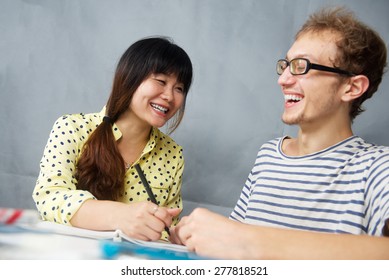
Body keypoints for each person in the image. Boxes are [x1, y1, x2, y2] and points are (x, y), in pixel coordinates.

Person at [170, 7, 389, 259]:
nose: (283, 79)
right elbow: (233, 244)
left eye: (301, 66)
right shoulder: (268, 155)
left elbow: (241, 241)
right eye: (286, 65)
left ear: (351, 88)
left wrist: (247, 242)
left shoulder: (377, 167)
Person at [32, 36, 193, 242]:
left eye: (179, 88)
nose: (170, 96)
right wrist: (119, 216)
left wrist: (179, 234)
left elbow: (168, 230)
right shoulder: (72, 128)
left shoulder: (173, 154)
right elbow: (50, 197)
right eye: (161, 81)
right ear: (130, 78)